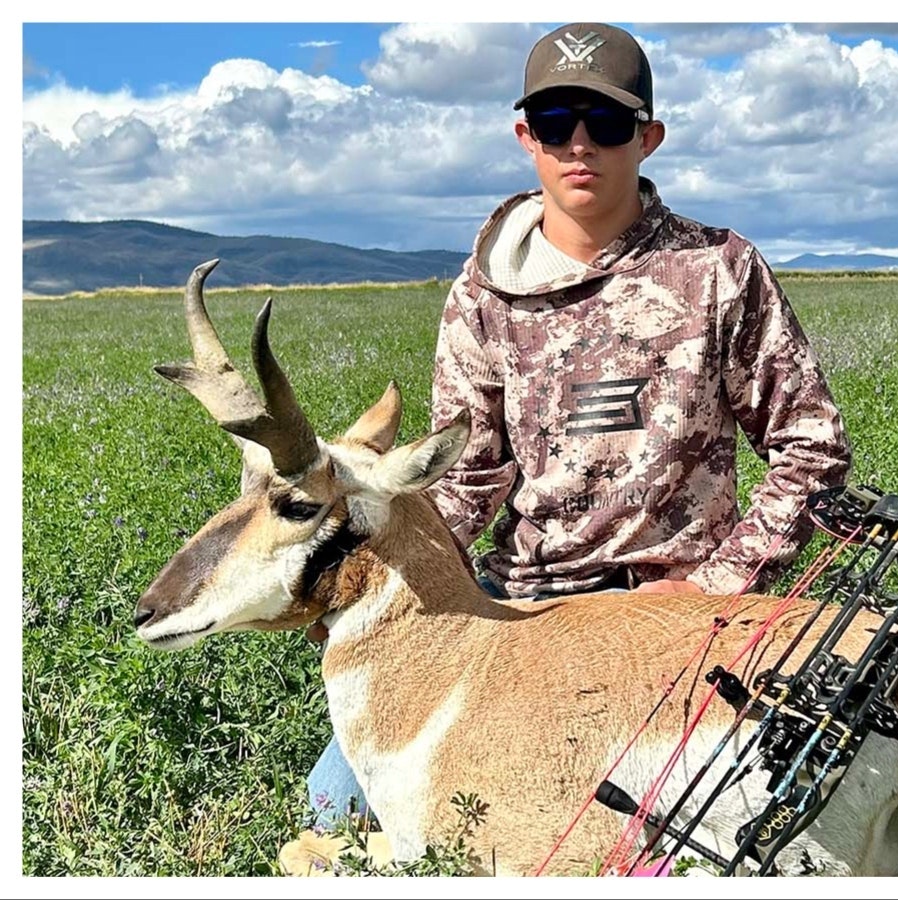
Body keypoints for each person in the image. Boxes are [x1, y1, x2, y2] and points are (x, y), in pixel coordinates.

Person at [300, 22, 852, 834]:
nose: (580, 145)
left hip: (681, 611)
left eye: (608, 123)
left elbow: (812, 447)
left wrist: (719, 582)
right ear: (526, 136)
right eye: (557, 122)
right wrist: (382, 593)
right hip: (520, 609)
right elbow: (469, 474)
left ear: (649, 137)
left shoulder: (719, 271)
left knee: (713, 818)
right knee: (340, 808)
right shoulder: (482, 295)